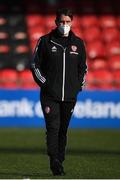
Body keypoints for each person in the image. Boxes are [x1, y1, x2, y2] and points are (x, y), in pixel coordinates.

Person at [30, 8, 87, 176]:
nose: (65, 25)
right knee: (53, 128)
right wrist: (45, 84)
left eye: (68, 22)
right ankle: (54, 159)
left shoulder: (78, 43)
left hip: (70, 95)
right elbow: (35, 65)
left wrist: (77, 86)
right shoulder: (45, 41)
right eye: (62, 22)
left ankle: (59, 160)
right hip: (49, 95)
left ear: (72, 22)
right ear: (56, 23)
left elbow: (83, 68)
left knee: (63, 129)